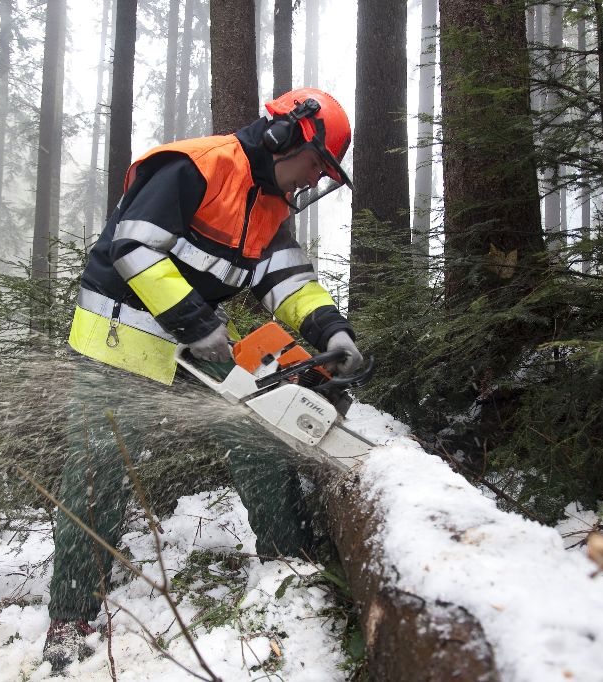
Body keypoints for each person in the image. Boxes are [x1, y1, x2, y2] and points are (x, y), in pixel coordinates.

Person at [42, 87, 364, 672]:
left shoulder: (269, 206)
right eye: (314, 165)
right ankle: (70, 616)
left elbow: (288, 281)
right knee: (99, 470)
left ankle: (289, 562)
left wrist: (331, 331)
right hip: (120, 336)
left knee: (258, 432)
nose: (309, 181)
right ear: (286, 136)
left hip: (193, 342)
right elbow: (131, 246)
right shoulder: (196, 166)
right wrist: (192, 320)